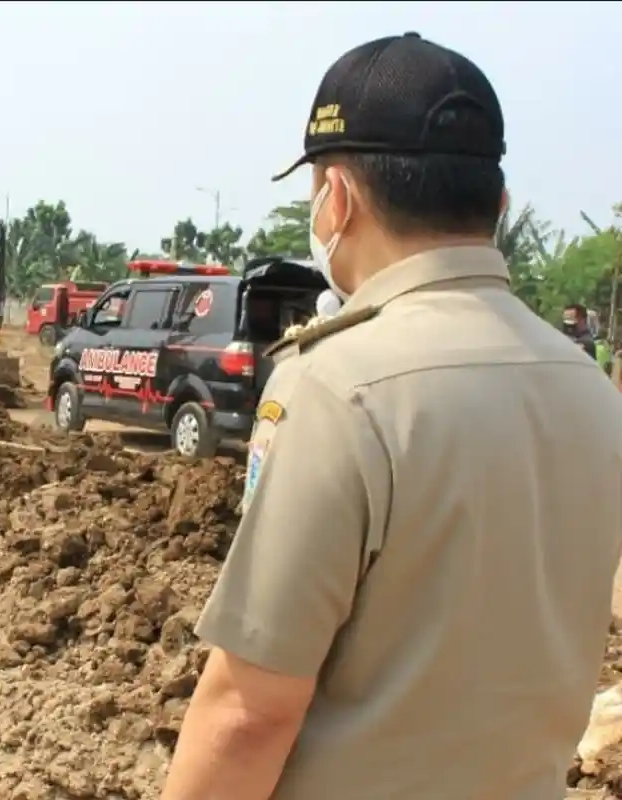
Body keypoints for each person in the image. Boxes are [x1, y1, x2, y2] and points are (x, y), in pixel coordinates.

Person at [161, 33, 622, 800]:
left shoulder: (339, 388)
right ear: (499, 206)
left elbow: (249, 711)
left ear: (335, 198)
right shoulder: (589, 390)